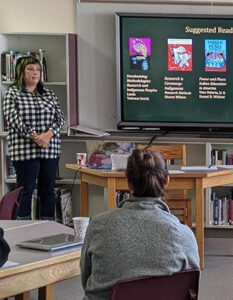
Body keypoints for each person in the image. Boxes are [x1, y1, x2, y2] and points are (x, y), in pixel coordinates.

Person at [80, 148, 200, 300]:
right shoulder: (184, 235)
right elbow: (189, 291)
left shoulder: (98, 225)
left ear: (129, 184)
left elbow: (86, 280)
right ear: (167, 181)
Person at [3, 56, 65, 220]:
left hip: (50, 150)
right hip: (24, 151)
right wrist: (35, 137)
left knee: (48, 189)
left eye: (38, 69)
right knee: (25, 189)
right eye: (31, 69)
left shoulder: (49, 94)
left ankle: (48, 229)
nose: (35, 73)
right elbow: (13, 118)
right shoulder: (12, 93)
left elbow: (60, 118)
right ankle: (22, 228)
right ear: (21, 72)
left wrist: (47, 135)